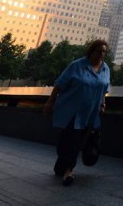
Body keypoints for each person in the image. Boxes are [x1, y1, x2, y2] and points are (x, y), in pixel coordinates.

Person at [44, 39, 111, 186]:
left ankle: (62, 166)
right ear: (91, 51)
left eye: (104, 52)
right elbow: (59, 84)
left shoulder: (105, 69)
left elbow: (104, 89)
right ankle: (68, 171)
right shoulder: (77, 65)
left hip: (91, 113)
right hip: (72, 111)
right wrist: (50, 102)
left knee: (77, 140)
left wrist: (103, 104)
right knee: (71, 140)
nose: (101, 54)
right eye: (99, 51)